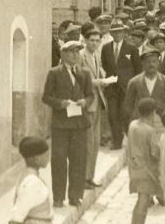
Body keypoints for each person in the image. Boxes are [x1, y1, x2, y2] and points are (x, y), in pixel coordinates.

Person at [42, 40, 94, 208]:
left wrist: (84, 102)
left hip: (79, 123)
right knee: (58, 160)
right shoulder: (54, 73)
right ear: (64, 54)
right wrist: (60, 104)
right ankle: (58, 197)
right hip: (61, 124)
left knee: (78, 159)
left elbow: (90, 95)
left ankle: (75, 195)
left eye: (77, 52)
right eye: (71, 52)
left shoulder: (84, 73)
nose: (75, 55)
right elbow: (46, 97)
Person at [101, 21, 142, 149]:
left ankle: (131, 140)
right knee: (112, 115)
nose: (117, 34)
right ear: (111, 33)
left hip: (127, 87)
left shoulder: (131, 48)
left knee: (125, 114)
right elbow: (105, 65)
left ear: (124, 33)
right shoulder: (106, 48)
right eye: (115, 31)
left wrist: (134, 86)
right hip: (112, 87)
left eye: (120, 31)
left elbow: (137, 68)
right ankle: (116, 141)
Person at [126, 98, 162, 224]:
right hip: (146, 169)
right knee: (144, 201)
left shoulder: (133, 124)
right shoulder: (150, 131)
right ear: (153, 113)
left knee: (139, 201)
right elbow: (155, 153)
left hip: (134, 168)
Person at [79, 28, 109, 190]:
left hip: (98, 102)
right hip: (87, 104)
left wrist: (104, 77)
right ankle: (83, 178)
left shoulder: (97, 55)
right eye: (92, 40)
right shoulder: (80, 56)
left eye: (98, 40)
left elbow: (99, 72)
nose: (95, 43)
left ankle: (90, 177)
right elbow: (79, 80)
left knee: (95, 143)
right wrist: (96, 82)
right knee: (87, 143)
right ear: (85, 40)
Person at [124, 47, 165, 121]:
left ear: (159, 62)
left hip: (161, 123)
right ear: (142, 63)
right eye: (148, 62)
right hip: (140, 123)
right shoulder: (134, 82)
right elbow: (128, 106)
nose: (151, 64)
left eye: (154, 61)